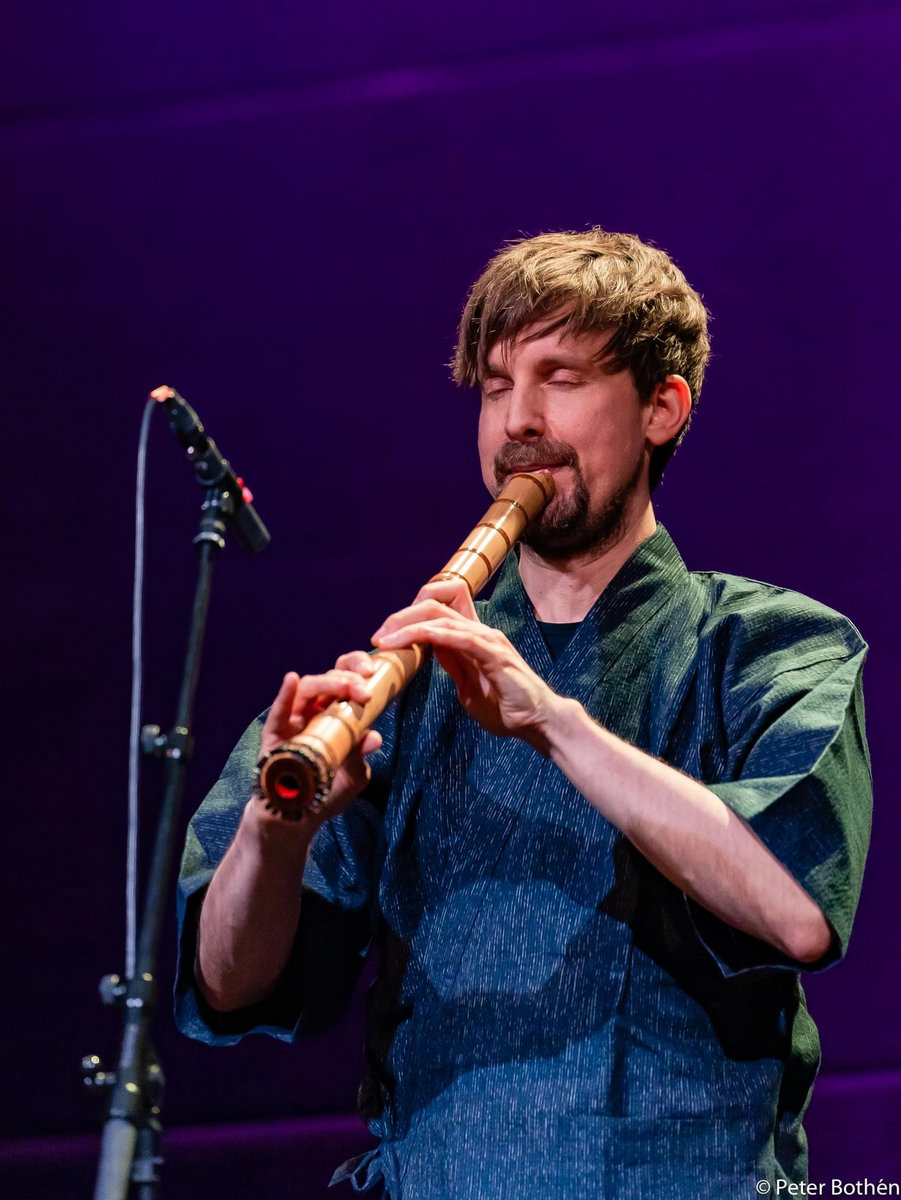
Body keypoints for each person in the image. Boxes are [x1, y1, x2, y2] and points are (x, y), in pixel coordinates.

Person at [176, 229, 872, 1198]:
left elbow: (797, 911)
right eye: (496, 385)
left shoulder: (768, 644)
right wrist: (275, 829)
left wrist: (552, 720)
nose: (519, 422)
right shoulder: (398, 675)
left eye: (562, 377)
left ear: (661, 409)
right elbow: (225, 983)